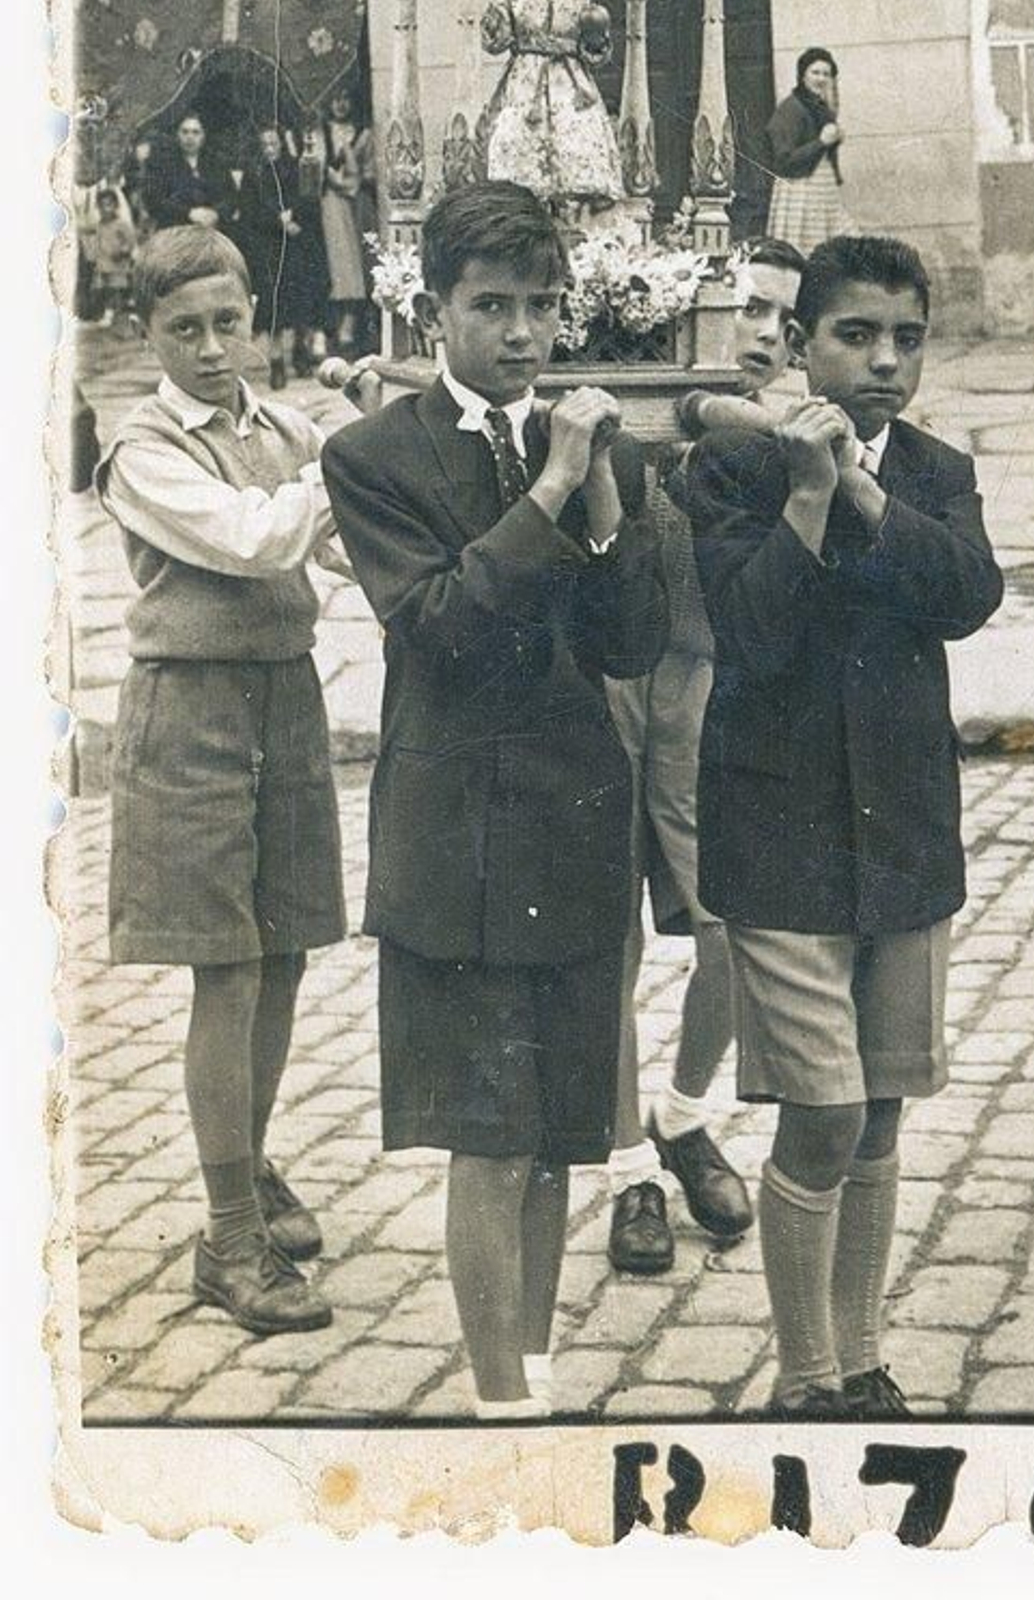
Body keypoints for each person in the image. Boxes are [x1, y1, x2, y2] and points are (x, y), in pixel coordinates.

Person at [321, 182, 669, 1419]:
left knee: (561, 1133)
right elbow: (441, 625)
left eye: (542, 306)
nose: (523, 334)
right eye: (492, 307)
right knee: (490, 1129)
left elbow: (633, 643)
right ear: (434, 313)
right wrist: (548, 492)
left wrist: (607, 495)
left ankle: (536, 1371)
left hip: (573, 816)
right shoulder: (371, 456)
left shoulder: (582, 444)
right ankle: (495, 1390)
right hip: (457, 834)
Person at [683, 233, 1005, 1418]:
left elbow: (967, 593)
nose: (882, 363)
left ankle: (861, 1363)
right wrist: (810, 497)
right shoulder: (729, 468)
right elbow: (754, 633)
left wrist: (865, 489)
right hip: (781, 833)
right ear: (803, 343)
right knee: (818, 1108)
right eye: (855, 337)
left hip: (903, 832)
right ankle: (804, 1376)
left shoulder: (934, 469)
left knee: (877, 1110)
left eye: (905, 339)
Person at [97, 227, 379, 1337]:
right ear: (146, 334)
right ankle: (225, 1238)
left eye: (228, 323)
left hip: (285, 698)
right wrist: (349, 462)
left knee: (287, 949)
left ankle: (249, 1166)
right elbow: (261, 538)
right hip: (192, 713)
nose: (213, 350)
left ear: (254, 315)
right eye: (184, 330)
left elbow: (344, 542)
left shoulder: (282, 426)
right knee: (224, 971)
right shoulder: (141, 449)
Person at [602, 237, 809, 1275]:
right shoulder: (652, 395)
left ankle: (682, 1115)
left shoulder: (789, 432)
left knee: (732, 930)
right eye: (749, 308)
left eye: (783, 317)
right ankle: (626, 1167)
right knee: (606, 940)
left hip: (709, 697)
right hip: (604, 691)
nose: (763, 333)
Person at [479, 0, 625, 221]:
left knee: (574, 139)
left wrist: (595, 37)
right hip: (528, 80)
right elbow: (496, 41)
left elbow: (593, 53)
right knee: (520, 140)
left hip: (570, 83)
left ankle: (568, 214)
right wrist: (495, 23)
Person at [234, 123, 332, 387]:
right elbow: (248, 211)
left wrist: (294, 218)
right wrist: (277, 219)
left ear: (281, 144)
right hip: (269, 245)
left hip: (297, 243)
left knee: (300, 298)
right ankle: (276, 359)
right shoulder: (254, 175)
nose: (269, 149)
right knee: (273, 304)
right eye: (264, 145)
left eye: (273, 144)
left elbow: (310, 200)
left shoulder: (295, 168)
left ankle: (301, 350)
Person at [307, 88, 378, 354]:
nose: (340, 104)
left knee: (355, 267)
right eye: (335, 99)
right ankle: (328, 333)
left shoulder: (363, 134)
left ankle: (349, 330)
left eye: (346, 98)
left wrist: (354, 180)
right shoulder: (320, 133)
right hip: (328, 205)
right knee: (334, 267)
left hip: (355, 206)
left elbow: (370, 172)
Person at [765, 50, 846, 252]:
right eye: (815, 72)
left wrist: (834, 140)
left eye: (826, 74)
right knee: (804, 248)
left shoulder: (819, 106)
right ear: (803, 75)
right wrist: (821, 142)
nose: (821, 79)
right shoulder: (790, 109)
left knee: (828, 243)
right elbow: (783, 161)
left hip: (821, 189)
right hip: (799, 189)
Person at [142, 113, 233, 234]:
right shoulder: (162, 165)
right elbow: (154, 201)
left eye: (196, 132)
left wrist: (216, 213)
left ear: (203, 136)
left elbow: (232, 197)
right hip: (174, 233)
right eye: (184, 132)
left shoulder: (216, 165)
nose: (190, 137)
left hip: (212, 232)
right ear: (177, 135)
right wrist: (189, 213)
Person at [86, 183, 138, 329]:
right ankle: (110, 315)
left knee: (115, 290)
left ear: (115, 206)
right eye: (101, 206)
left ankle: (113, 316)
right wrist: (94, 257)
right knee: (105, 290)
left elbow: (130, 241)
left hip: (117, 264)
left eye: (109, 205)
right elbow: (97, 243)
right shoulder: (99, 225)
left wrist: (123, 250)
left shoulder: (121, 224)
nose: (105, 209)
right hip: (103, 264)